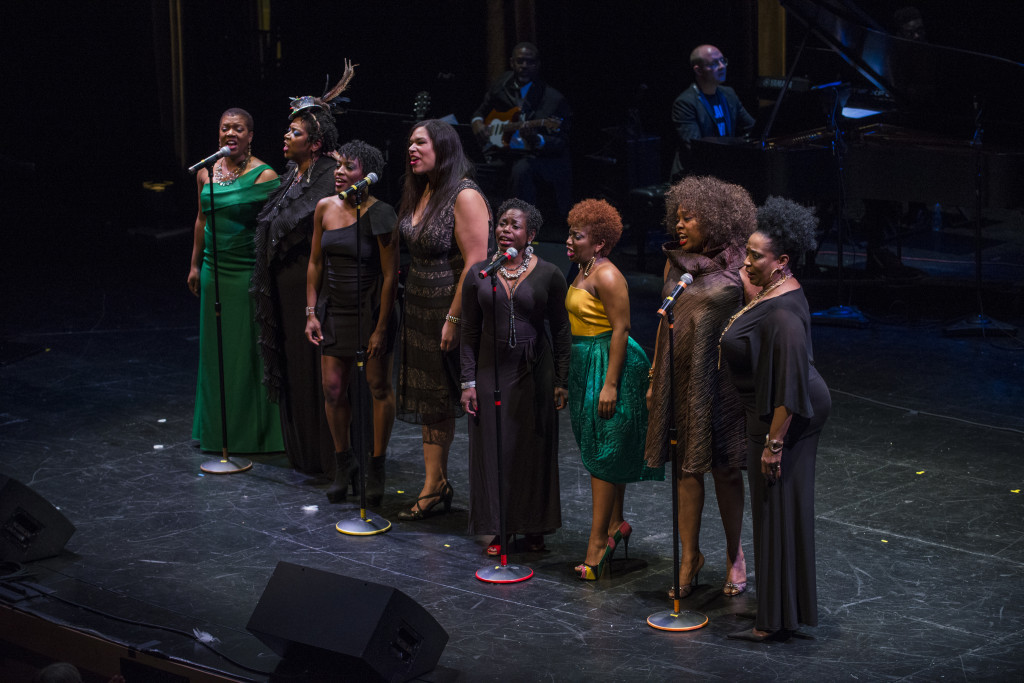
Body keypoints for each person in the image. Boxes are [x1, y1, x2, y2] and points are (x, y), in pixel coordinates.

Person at [720, 197, 831, 642]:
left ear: (782, 261)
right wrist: (753, 292)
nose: (745, 262)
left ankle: (778, 616)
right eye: (746, 253)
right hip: (767, 412)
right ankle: (778, 607)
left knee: (778, 507)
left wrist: (774, 443)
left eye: (755, 257)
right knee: (771, 509)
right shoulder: (772, 293)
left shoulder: (783, 313)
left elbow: (788, 385)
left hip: (785, 419)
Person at [644, 176, 753, 598]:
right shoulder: (675, 261)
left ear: (716, 221)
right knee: (687, 468)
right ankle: (690, 556)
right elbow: (663, 321)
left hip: (722, 382)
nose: (681, 225)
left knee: (725, 469)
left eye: (690, 218)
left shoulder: (740, 264)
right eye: (679, 217)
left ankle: (733, 554)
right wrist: (656, 376)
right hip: (681, 374)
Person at [251, 64, 356, 477]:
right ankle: (304, 453)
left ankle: (332, 457)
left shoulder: (330, 177)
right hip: (285, 288)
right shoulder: (295, 175)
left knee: (322, 376)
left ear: (315, 143)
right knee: (297, 368)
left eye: (294, 132)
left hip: (317, 290)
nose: (285, 136)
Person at [460, 199, 571, 554]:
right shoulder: (480, 273)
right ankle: (500, 526)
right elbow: (468, 333)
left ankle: (534, 526)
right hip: (491, 369)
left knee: (532, 449)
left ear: (531, 234)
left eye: (515, 225)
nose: (506, 229)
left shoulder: (550, 274)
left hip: (534, 370)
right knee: (496, 449)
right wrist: (468, 381)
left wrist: (561, 380)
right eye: (502, 223)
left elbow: (562, 329)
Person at [396, 119, 490, 520]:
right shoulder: (424, 189)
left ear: (444, 147)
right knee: (431, 397)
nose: (411, 150)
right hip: (418, 307)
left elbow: (476, 262)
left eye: (420, 143)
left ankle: (493, 498)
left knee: (469, 399)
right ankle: (434, 484)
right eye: (410, 143)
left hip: (453, 310)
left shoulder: (464, 194)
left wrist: (454, 317)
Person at [564, 199, 663, 580]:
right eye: (571, 232)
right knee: (603, 444)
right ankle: (615, 523)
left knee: (603, 450)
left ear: (600, 243)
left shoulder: (606, 276)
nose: (570, 240)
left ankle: (597, 544)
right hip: (585, 361)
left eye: (578, 235)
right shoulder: (582, 269)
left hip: (609, 363)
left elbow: (621, 329)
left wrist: (610, 384)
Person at [305, 141, 398, 505]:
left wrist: (380, 328)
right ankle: (345, 463)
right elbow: (314, 263)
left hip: (370, 307)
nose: (339, 172)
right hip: (334, 307)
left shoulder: (381, 213)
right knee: (333, 389)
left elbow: (391, 276)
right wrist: (311, 312)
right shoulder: (324, 207)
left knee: (377, 386)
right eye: (338, 165)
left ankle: (377, 465)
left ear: (368, 176)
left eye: (349, 167)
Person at [187, 108, 282, 454]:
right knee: (216, 351)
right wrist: (195, 265)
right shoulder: (204, 172)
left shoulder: (264, 174)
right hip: (214, 271)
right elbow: (201, 220)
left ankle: (252, 433)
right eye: (225, 127)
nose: (231, 133)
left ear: (250, 136)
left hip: (245, 270)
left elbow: (276, 226)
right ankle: (217, 430)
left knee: (246, 349)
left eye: (238, 129)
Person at [470, 42, 572, 225]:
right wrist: (477, 123)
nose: (524, 66)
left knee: (521, 170)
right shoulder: (501, 85)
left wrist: (536, 139)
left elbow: (561, 142)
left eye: (530, 62)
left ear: (538, 65)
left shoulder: (553, 99)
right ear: (512, 63)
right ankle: (476, 225)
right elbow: (480, 112)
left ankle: (520, 226)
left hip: (538, 157)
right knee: (470, 170)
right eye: (520, 61)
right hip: (503, 151)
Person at [670, 44, 756, 181]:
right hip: (694, 177)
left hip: (723, 169)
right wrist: (738, 143)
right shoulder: (685, 103)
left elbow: (752, 127)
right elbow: (695, 147)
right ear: (698, 70)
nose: (722, 66)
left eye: (723, 61)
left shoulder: (729, 94)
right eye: (715, 63)